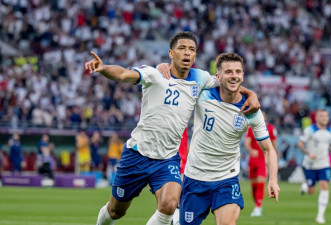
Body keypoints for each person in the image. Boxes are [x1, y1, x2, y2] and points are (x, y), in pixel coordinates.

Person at [86, 31, 260, 225]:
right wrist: (103, 68)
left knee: (169, 204)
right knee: (116, 211)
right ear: (171, 53)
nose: (187, 53)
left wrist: (251, 93)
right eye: (182, 48)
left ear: (195, 55)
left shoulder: (201, 78)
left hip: (167, 159)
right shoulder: (155, 74)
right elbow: (125, 74)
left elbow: (229, 82)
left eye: (191, 50)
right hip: (137, 154)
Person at [180, 53, 280, 225]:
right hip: (195, 177)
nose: (234, 75)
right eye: (228, 72)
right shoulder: (202, 93)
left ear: (243, 75)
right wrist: (164, 67)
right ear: (217, 76)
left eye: (238, 72)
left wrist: (273, 179)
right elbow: (178, 75)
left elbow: (269, 149)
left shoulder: (251, 109)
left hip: (226, 179)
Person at [297, 109, 331, 224]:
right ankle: (306, 184)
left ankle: (320, 216)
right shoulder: (310, 130)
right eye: (321, 116)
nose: (324, 118)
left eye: (326, 116)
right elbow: (300, 144)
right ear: (316, 118)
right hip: (310, 164)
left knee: (324, 186)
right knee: (311, 191)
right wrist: (308, 154)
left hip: (324, 164)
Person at [244, 111, 278, 217]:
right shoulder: (251, 128)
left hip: (263, 159)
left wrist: (273, 157)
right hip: (252, 160)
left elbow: (273, 145)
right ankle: (257, 204)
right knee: (253, 186)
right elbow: (247, 143)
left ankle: (258, 207)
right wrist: (251, 150)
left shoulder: (271, 128)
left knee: (260, 183)